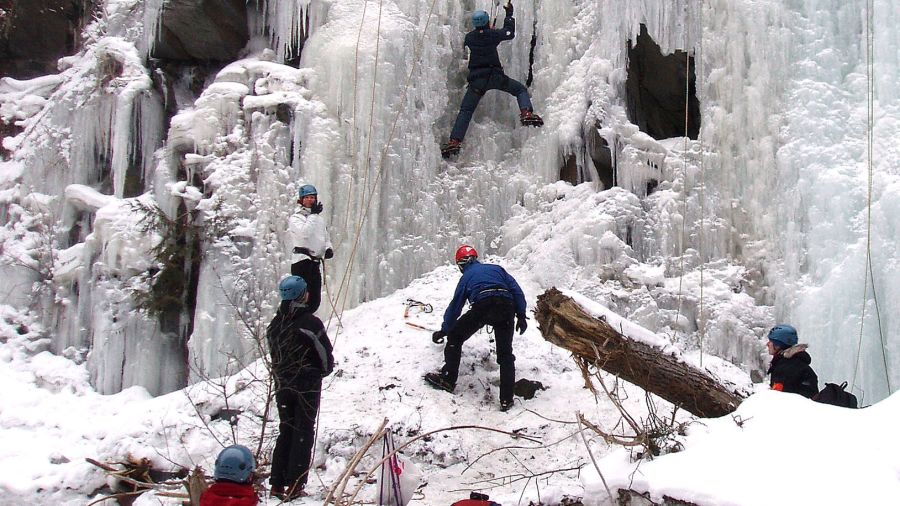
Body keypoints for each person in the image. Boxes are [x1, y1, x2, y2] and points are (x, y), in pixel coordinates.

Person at [424, 245, 527, 411]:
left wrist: (445, 330)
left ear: (461, 265)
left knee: (456, 337)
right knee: (505, 354)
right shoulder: (497, 269)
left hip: (483, 304)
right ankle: (507, 399)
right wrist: (521, 315)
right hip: (507, 306)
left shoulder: (467, 276)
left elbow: (455, 306)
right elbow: (517, 291)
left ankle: (448, 380)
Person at [441, 1, 543, 159]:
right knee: (520, 90)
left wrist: (488, 32)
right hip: (495, 77)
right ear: (487, 21)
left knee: (466, 110)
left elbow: (480, 39)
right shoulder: (493, 35)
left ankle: (455, 141)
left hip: (477, 81)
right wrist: (508, 16)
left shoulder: (469, 37)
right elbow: (509, 33)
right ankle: (526, 112)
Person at [267, 276, 335, 500]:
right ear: (302, 295)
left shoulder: (275, 324)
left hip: (282, 384)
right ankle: (296, 484)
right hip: (306, 384)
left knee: (286, 428)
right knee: (303, 431)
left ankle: (276, 483)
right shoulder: (309, 323)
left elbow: (275, 355)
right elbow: (324, 353)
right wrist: (322, 371)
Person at [287, 183, 333, 313]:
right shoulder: (296, 218)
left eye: (312, 197)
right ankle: (295, 326)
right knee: (301, 300)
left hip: (314, 263)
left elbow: (325, 236)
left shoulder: (319, 219)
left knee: (314, 301)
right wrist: (313, 215)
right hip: (302, 262)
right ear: (301, 200)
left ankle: (306, 324)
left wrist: (328, 248)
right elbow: (304, 234)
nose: (310, 200)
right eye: (307, 197)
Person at [766, 324, 818, 399]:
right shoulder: (796, 364)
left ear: (778, 345)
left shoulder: (784, 368)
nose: (767, 344)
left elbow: (777, 399)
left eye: (770, 341)